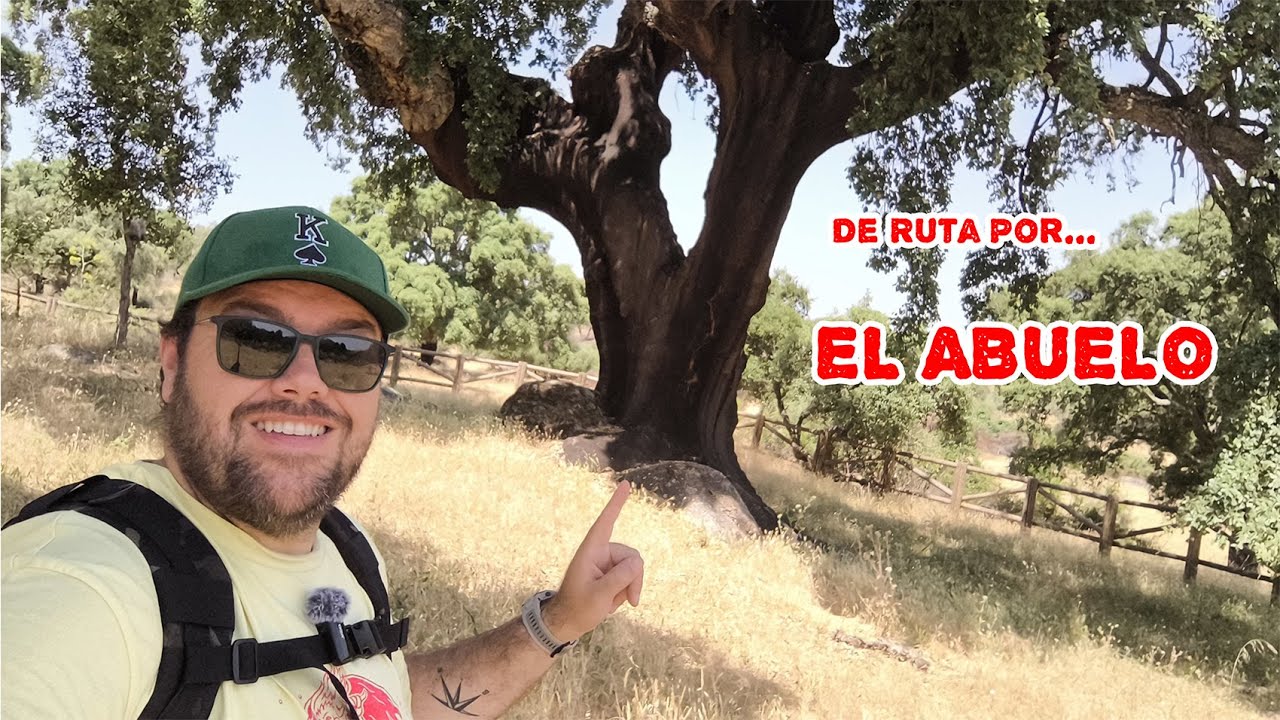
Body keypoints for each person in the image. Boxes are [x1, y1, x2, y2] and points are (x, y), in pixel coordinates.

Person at [1, 206, 645, 719]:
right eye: (255, 339)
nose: (305, 383)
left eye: (347, 351)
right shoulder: (86, 586)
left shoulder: (348, 548)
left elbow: (375, 699)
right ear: (171, 363)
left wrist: (559, 620)